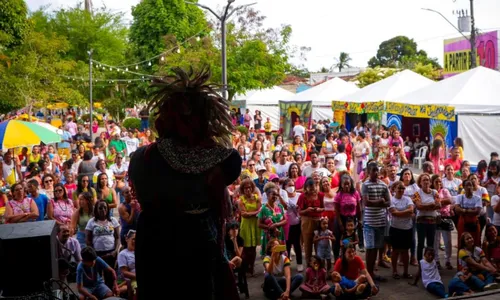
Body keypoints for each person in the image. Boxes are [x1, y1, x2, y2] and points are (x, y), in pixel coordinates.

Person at [128, 67, 242, 299]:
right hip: (200, 245)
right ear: (207, 118)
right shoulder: (226, 160)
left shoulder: (142, 158)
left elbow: (144, 197)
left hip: (157, 248)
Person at [361, 162, 391, 282]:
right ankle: (369, 274)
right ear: (368, 172)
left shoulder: (384, 185)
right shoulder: (365, 185)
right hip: (369, 222)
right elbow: (366, 202)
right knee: (370, 248)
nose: (376, 173)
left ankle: (371, 272)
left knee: (377, 247)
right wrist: (380, 201)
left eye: (377, 170)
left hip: (381, 221)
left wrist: (381, 202)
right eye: (373, 170)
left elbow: (389, 202)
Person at [389, 181, 414, 279]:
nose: (401, 190)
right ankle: (394, 271)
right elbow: (394, 213)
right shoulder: (391, 200)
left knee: (405, 251)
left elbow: (411, 210)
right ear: (394, 189)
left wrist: (399, 212)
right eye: (399, 188)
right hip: (395, 228)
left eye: (403, 188)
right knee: (395, 251)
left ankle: (406, 272)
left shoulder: (408, 199)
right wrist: (406, 212)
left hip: (407, 228)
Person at [118, 230, 137, 297]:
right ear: (127, 239)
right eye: (133, 239)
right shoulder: (123, 254)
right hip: (132, 279)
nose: (135, 241)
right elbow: (124, 272)